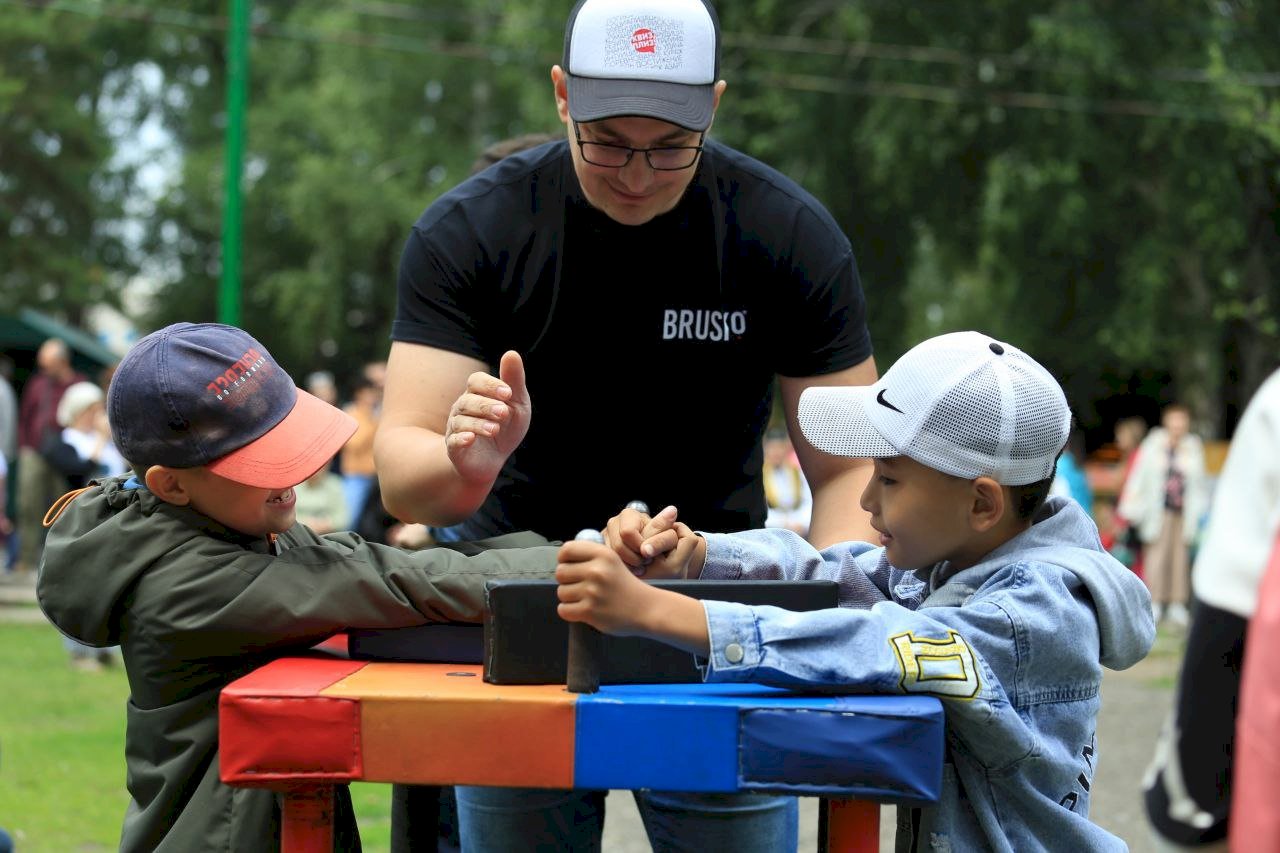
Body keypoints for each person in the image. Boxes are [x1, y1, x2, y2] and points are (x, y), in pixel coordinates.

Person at [378, 2, 878, 844]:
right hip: (523, 605)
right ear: (562, 95)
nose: (638, 174)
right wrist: (470, 463)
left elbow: (854, 467)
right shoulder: (473, 229)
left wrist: (822, 628)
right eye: (608, 140)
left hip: (714, 619)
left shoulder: (787, 232)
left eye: (671, 145)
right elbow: (402, 469)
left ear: (714, 105)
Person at [558, 331, 1156, 852]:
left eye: (889, 478)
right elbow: (833, 574)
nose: (867, 501)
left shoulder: (1035, 611)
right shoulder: (956, 561)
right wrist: (698, 555)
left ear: (980, 503)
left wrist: (660, 613)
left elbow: (891, 641)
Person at [35, 322, 561, 852]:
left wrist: (584, 548)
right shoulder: (190, 583)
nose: (293, 473)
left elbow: (376, 562)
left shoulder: (221, 525)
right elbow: (386, 578)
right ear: (169, 483)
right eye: (257, 458)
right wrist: (584, 566)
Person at [1143, 366, 1280, 850]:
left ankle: (1174, 606)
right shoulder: (1157, 447)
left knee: (1180, 567)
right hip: (1163, 514)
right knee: (1161, 564)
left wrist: (1190, 805)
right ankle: (1161, 606)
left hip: (1187, 517)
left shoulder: (1270, 407)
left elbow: (1227, 619)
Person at [40, 379, 129, 671]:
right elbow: (78, 471)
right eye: (93, 409)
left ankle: (106, 648)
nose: (97, 415)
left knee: (112, 585)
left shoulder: (108, 441)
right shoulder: (61, 442)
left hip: (114, 523)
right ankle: (78, 652)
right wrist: (102, 441)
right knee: (78, 587)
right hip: (80, 525)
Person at [1118, 403, 1208, 626]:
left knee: (1179, 557)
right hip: (1157, 511)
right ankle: (1155, 601)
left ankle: (1177, 603)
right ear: (1167, 422)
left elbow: (1199, 482)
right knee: (1156, 557)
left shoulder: (1193, 447)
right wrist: (1131, 507)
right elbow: (1139, 477)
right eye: (1174, 420)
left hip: (1183, 512)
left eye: (1182, 420)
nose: (1178, 425)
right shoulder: (1153, 445)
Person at [14, 338, 85, 578]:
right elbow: (25, 416)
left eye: (49, 364)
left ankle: (57, 563)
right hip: (34, 451)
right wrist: (24, 446)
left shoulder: (78, 384)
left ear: (63, 362)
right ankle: (25, 561)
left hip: (64, 454)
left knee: (62, 505)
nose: (44, 370)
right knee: (28, 504)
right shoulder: (37, 383)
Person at [339, 376, 381, 529]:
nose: (373, 397)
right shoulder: (351, 413)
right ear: (359, 394)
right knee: (349, 520)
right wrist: (372, 422)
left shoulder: (374, 416)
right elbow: (354, 443)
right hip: (356, 476)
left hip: (374, 478)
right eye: (370, 393)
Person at [763, 430, 811, 536]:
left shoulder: (796, 473)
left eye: (780, 447)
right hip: (773, 528)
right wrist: (783, 524)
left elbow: (808, 501)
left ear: (786, 448)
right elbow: (762, 510)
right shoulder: (761, 476)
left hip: (798, 527)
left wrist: (801, 522)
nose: (776, 452)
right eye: (772, 448)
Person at [1051, 426, 1094, 516]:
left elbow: (1060, 497)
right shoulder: (1075, 464)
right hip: (1086, 518)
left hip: (1070, 519)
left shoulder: (1059, 465)